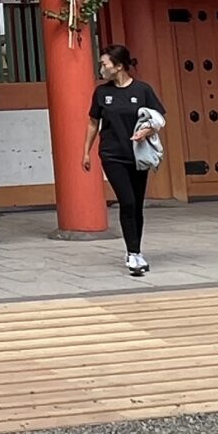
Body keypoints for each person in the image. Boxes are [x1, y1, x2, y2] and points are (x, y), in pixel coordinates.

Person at [80, 42, 168, 277]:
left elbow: (158, 119)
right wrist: (86, 151)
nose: (101, 68)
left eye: (104, 64)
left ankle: (135, 250)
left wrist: (145, 132)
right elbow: (92, 122)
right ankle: (133, 253)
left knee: (136, 204)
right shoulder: (102, 93)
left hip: (138, 156)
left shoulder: (142, 90)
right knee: (127, 201)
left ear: (118, 66)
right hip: (112, 154)